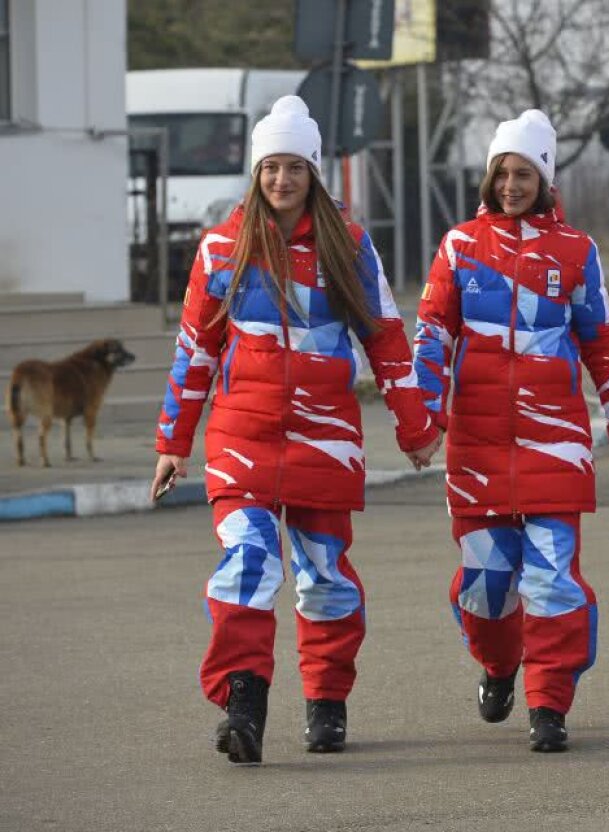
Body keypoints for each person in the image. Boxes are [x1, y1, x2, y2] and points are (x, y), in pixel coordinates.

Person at [149, 96, 441, 765]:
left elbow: (389, 344)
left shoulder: (351, 247)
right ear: (256, 173)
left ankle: (327, 700)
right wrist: (173, 443)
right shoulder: (222, 248)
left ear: (313, 172)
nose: (281, 180)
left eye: (294, 168)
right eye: (270, 167)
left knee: (326, 578)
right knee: (247, 563)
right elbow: (195, 351)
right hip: (240, 436)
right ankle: (243, 703)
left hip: (325, 438)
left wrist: (416, 427)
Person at [413, 109, 609, 753]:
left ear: (545, 180)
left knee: (551, 579)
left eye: (524, 174)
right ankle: (497, 665)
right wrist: (423, 418)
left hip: (555, 440)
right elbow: (431, 336)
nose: (511, 185)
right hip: (478, 442)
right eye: (502, 173)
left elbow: (601, 339)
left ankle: (550, 703)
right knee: (487, 587)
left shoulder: (576, 251)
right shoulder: (460, 246)